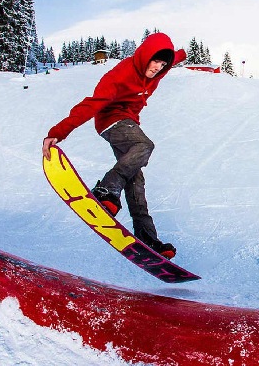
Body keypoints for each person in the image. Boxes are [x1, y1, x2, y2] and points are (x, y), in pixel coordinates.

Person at [42, 33, 186, 259]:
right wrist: (58, 132)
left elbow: (172, 57)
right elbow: (91, 104)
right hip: (111, 121)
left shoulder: (160, 69)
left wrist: (179, 55)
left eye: (162, 63)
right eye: (155, 60)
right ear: (144, 56)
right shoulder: (120, 74)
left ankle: (146, 237)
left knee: (136, 179)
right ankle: (106, 190)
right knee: (144, 145)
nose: (158, 67)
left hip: (129, 121)